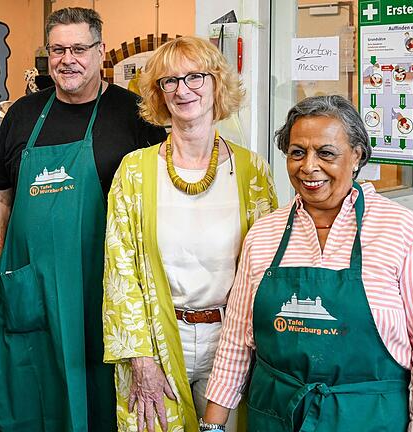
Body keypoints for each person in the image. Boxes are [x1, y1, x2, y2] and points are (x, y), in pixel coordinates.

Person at [0, 7, 167, 431]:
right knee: (37, 398)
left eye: (79, 48)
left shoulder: (137, 116)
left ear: (100, 51)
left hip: (104, 292)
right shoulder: (22, 114)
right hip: (35, 291)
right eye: (58, 49)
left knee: (102, 401)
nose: (68, 59)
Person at [203, 95, 413, 431]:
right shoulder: (265, 234)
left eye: (326, 153)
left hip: (369, 417)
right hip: (276, 415)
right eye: (297, 152)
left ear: (357, 156)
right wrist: (212, 425)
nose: (309, 166)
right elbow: (236, 341)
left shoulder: (400, 229)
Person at [102, 36, 278, 432]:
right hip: (158, 343)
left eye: (195, 77)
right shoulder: (134, 171)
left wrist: (255, 347)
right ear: (158, 93)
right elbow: (120, 272)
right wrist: (141, 360)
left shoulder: (252, 171)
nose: (183, 90)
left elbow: (267, 269)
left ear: (217, 84)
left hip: (231, 342)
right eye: (170, 81)